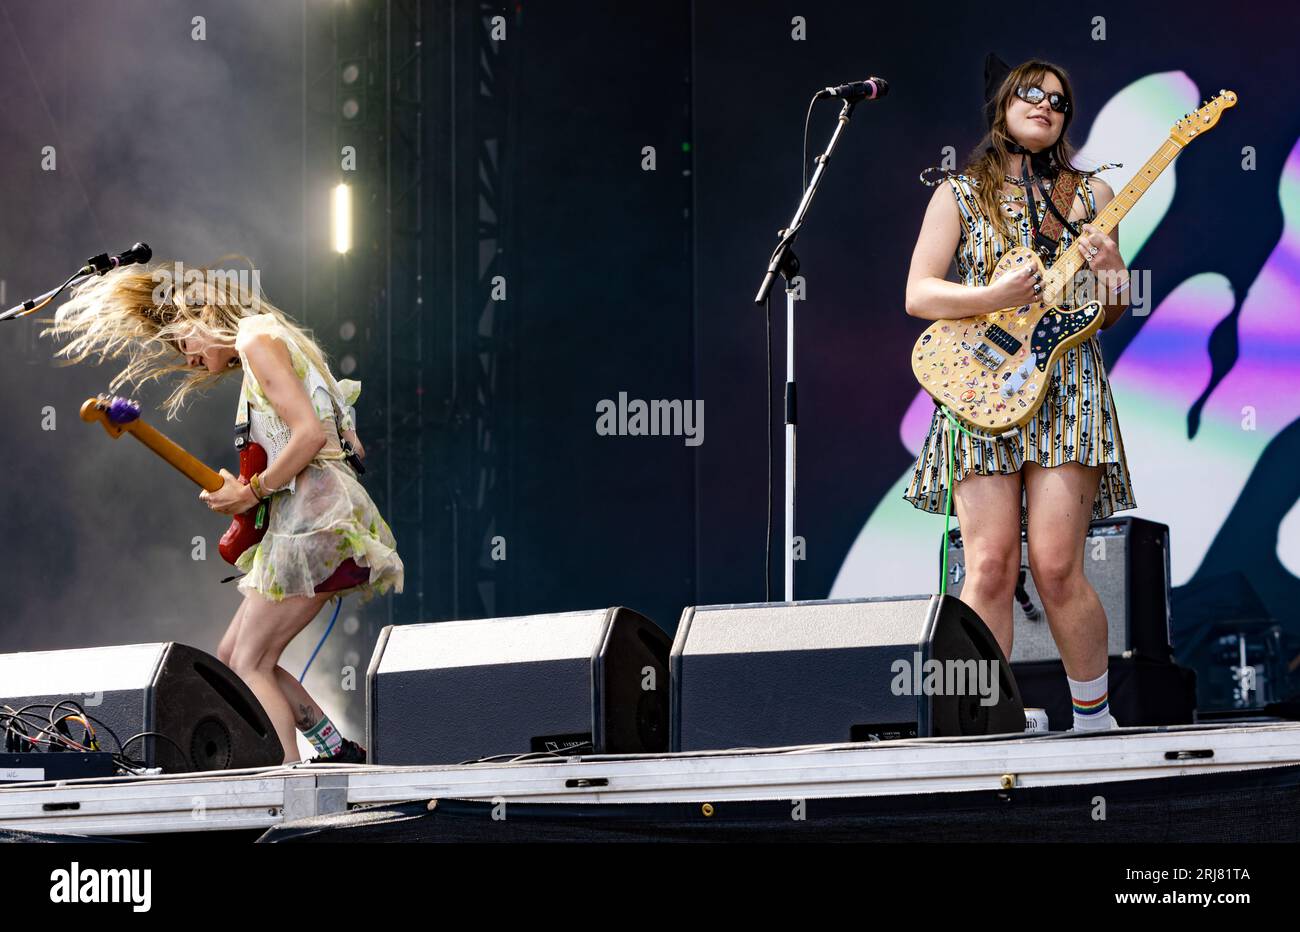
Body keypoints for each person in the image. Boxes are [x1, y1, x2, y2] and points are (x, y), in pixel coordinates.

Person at [43, 263, 404, 762]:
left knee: (251, 661)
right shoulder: (277, 342)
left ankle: (289, 781)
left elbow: (309, 436)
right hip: (313, 517)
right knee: (236, 658)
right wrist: (247, 492)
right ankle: (335, 749)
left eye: (182, 342)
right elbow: (328, 441)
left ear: (203, 313)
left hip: (315, 521)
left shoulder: (257, 340)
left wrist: (253, 491)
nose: (186, 358)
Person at [902, 57, 1137, 731]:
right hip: (982, 388)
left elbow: (1106, 313)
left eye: (1058, 101)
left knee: (1058, 564)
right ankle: (986, 720)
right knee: (989, 563)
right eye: (1030, 93)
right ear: (1002, 105)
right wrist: (991, 296)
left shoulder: (1088, 195)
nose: (1045, 105)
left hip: (1066, 386)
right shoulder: (958, 193)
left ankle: (1093, 719)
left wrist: (1114, 273)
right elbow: (920, 293)